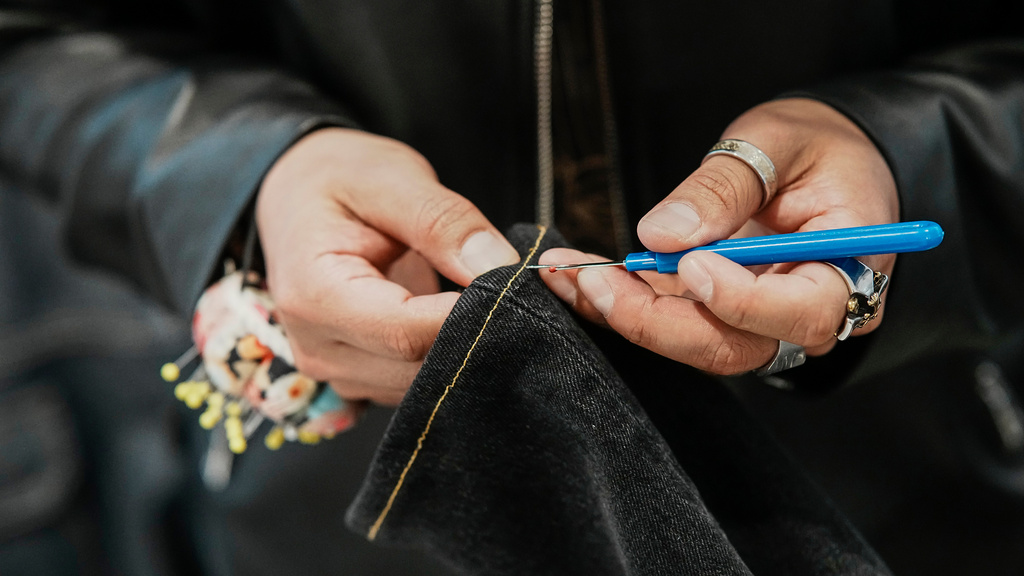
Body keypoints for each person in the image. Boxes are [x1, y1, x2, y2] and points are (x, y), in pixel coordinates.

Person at [2, 0, 1024, 573]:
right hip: (348, 521)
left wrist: (913, 156)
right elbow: (41, 37)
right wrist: (249, 173)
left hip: (894, 503)